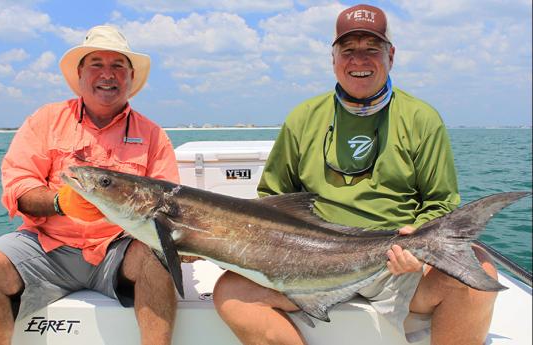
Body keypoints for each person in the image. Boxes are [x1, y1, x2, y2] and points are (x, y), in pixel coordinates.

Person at [213, 4, 498, 345]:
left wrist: (416, 243)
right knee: (231, 291)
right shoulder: (302, 118)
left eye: (371, 50)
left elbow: (440, 202)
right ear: (333, 58)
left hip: (395, 264)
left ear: (391, 55)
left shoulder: (422, 118)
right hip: (309, 262)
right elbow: (271, 200)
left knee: (478, 275)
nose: (359, 60)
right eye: (348, 50)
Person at [0, 25, 182, 345]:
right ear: (80, 75)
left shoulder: (153, 135)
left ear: (131, 78)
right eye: (96, 64)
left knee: (158, 256)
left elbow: (168, 205)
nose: (108, 74)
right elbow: (18, 187)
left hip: (117, 249)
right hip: (47, 246)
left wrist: (184, 241)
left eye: (118, 65)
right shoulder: (44, 120)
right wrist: (59, 202)